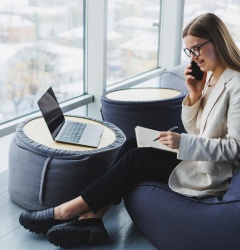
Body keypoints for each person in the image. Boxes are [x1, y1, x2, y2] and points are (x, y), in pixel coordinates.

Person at [19, 12, 240, 248]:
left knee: (137, 158)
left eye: (197, 49)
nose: (193, 57)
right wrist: (195, 96)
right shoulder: (210, 78)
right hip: (197, 156)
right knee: (134, 142)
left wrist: (182, 143)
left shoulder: (236, 85)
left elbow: (235, 148)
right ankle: (92, 217)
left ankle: (67, 210)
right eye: (189, 51)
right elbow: (199, 130)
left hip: (211, 170)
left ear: (217, 41)